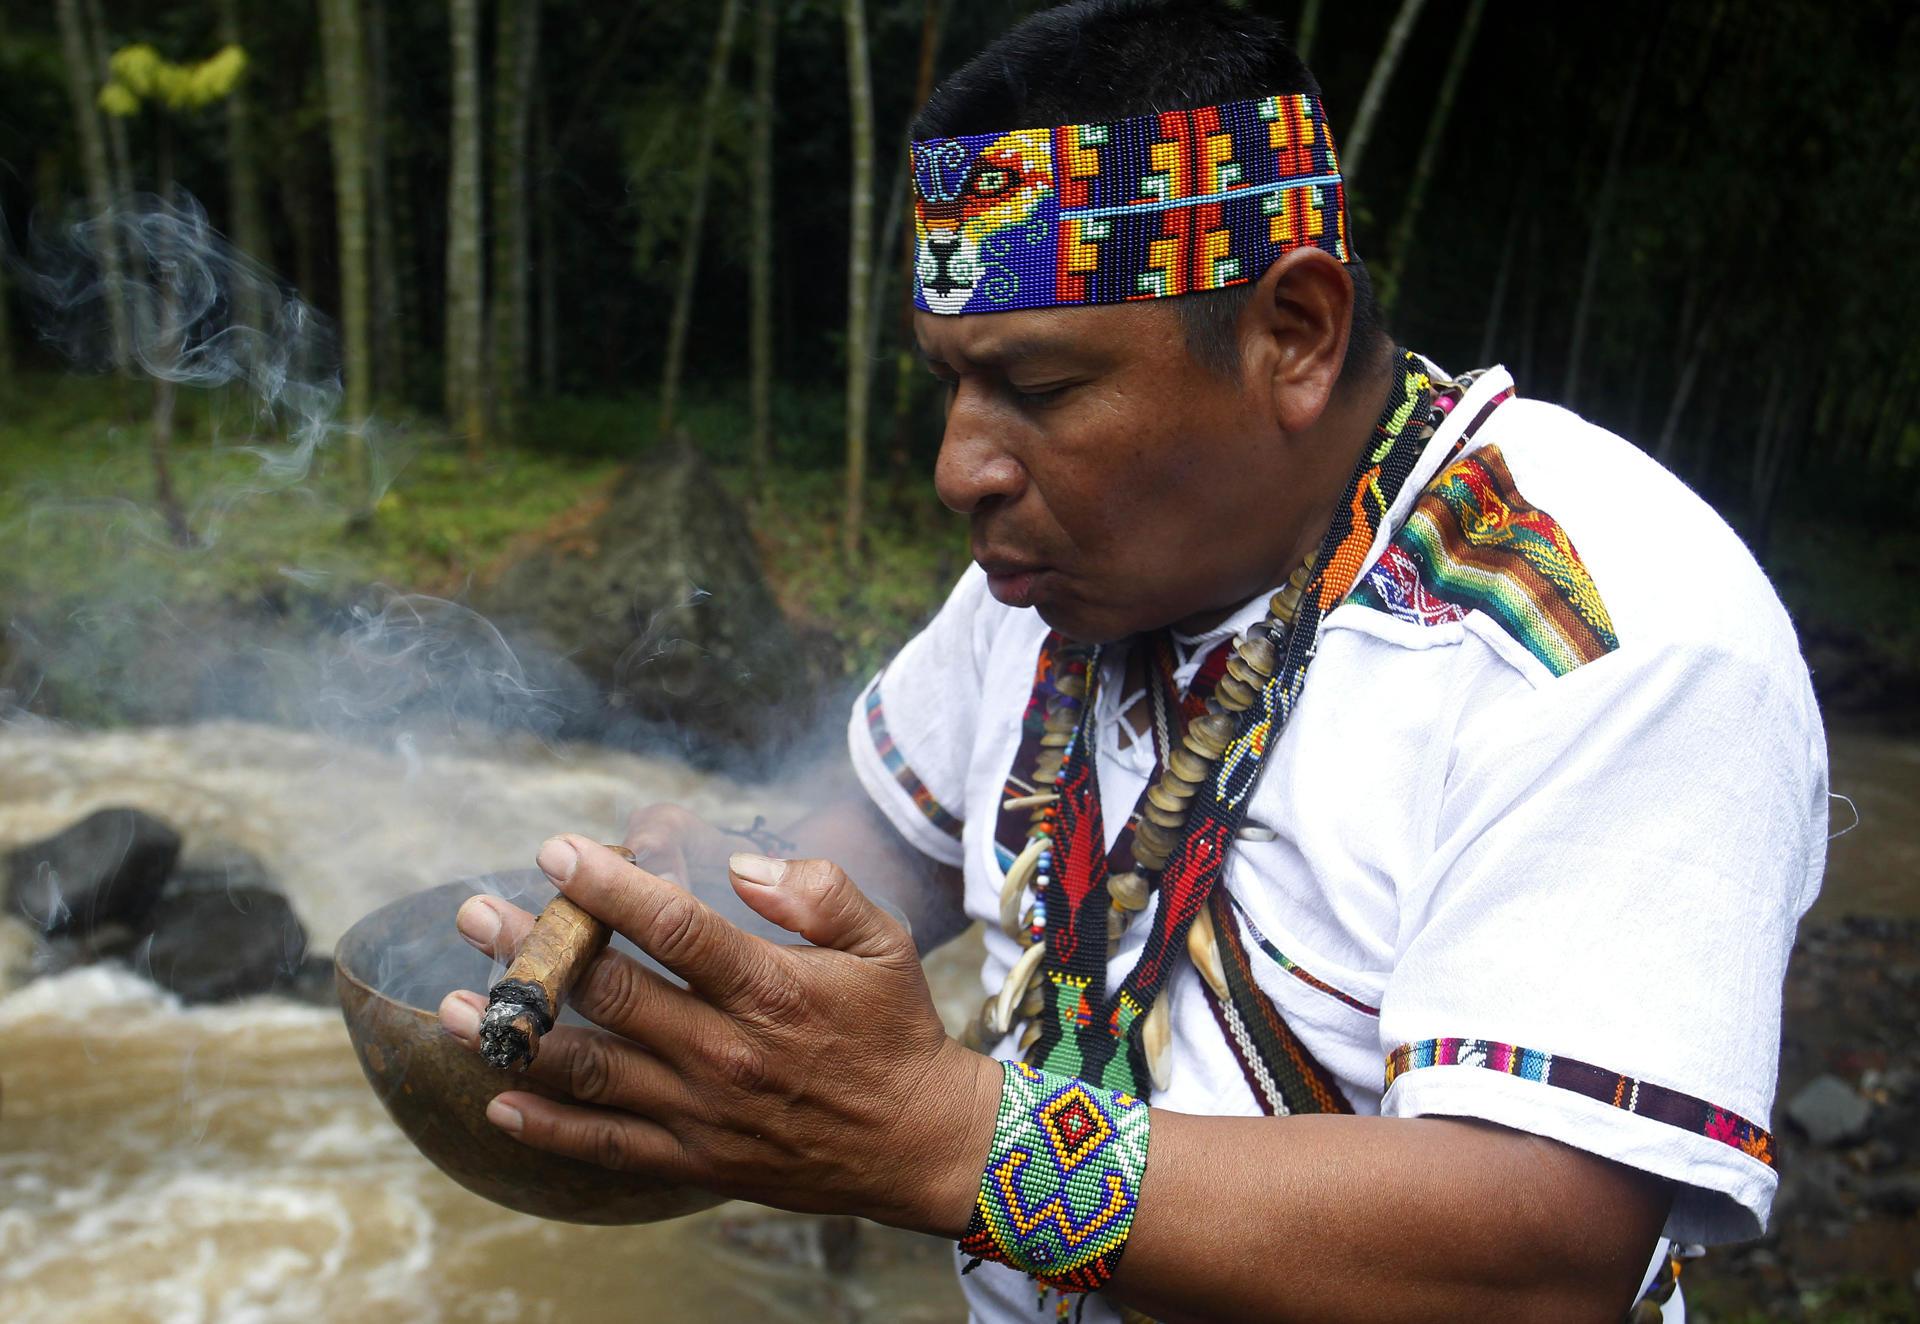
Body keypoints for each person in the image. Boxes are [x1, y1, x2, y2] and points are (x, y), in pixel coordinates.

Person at [436, 2, 1828, 1319]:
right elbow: (889, 848)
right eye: (951, 384)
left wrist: (941, 1140)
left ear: (1294, 334)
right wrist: (702, 936)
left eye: (1039, 390)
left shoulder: (1609, 643)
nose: (959, 468)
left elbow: (1541, 1250)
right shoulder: (1057, 578)